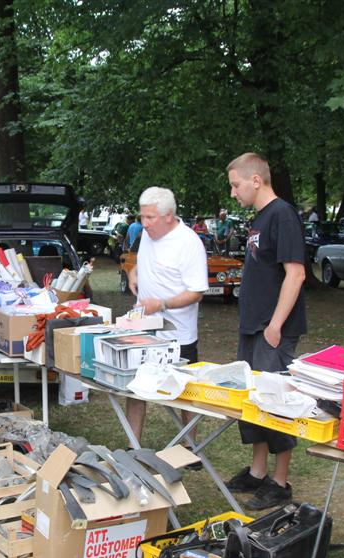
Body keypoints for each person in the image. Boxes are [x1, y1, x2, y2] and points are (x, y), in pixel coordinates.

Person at [226, 152, 307, 510]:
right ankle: (258, 472)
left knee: (275, 402)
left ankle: (279, 481)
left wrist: (275, 325)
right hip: (252, 326)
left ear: (255, 180)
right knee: (254, 400)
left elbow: (296, 274)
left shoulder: (283, 215)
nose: (233, 193)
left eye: (236, 185)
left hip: (271, 329)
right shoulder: (260, 219)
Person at [124, 187, 209, 444]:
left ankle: (189, 445)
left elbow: (196, 292)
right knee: (135, 387)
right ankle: (132, 444)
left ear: (169, 215)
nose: (144, 224)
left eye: (150, 218)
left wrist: (160, 304)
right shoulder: (149, 234)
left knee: (184, 390)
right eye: (142, 217)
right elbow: (147, 258)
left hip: (178, 334)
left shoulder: (189, 243)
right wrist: (134, 270)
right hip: (143, 327)